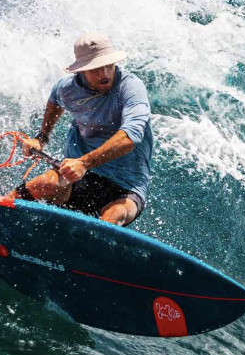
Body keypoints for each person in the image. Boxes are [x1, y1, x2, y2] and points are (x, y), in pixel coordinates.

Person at [10, 33, 153, 227]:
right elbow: (55, 100)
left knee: (114, 216)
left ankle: (96, 243)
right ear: (82, 70)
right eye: (96, 69)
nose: (104, 74)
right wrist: (42, 137)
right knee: (45, 183)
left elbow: (130, 138)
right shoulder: (67, 88)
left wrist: (84, 163)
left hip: (126, 185)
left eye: (108, 66)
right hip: (76, 176)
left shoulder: (130, 87)